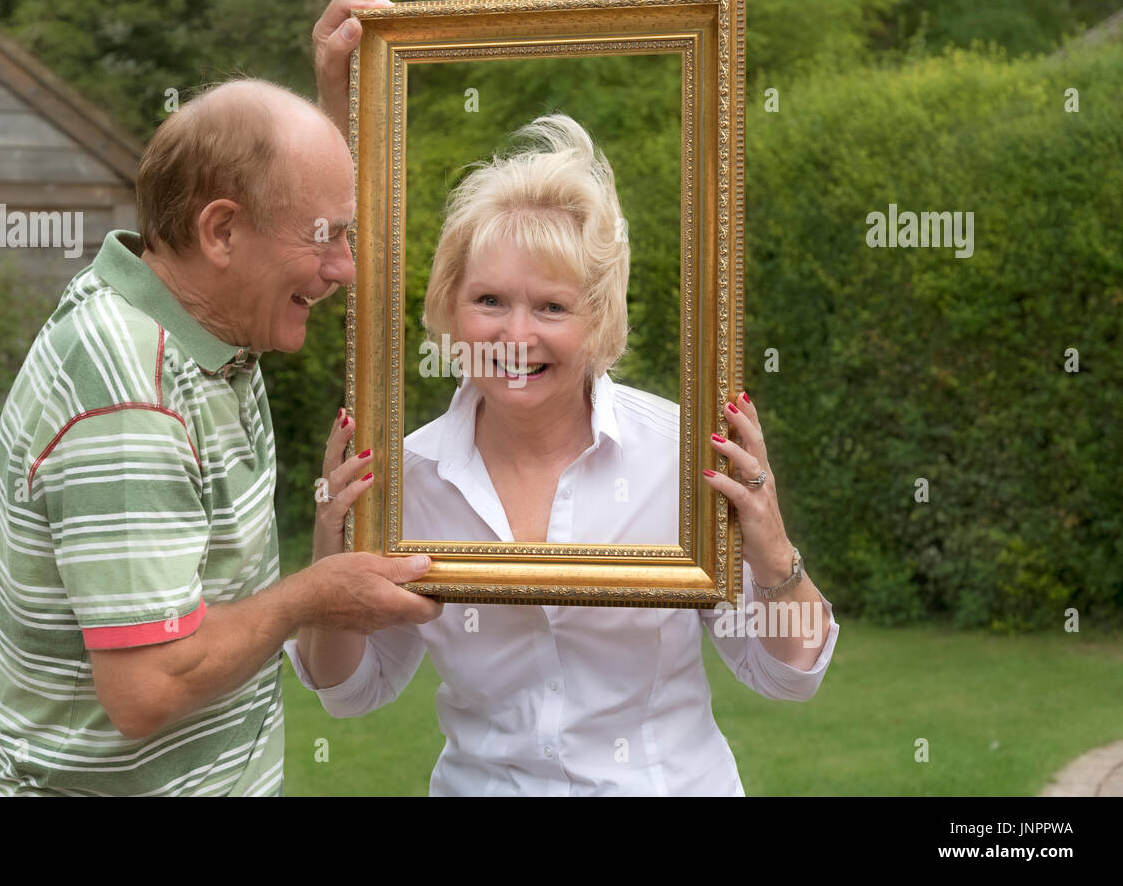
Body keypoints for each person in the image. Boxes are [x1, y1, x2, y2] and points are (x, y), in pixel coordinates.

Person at [288, 113, 840, 795]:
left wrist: (773, 549)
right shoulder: (407, 477)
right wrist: (329, 562)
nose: (515, 334)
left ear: (599, 319)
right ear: (450, 307)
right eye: (489, 299)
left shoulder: (681, 455)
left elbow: (790, 671)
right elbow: (351, 689)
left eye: (551, 306)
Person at [0, 0, 444, 796]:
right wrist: (313, 593)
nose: (343, 270)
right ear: (222, 231)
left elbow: (298, 213)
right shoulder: (128, 394)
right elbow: (148, 685)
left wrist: (343, 98)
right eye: (326, 240)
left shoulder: (201, 326)